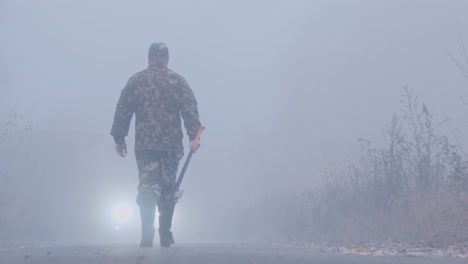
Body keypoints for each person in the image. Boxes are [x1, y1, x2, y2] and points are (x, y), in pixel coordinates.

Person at [111, 42, 202, 247]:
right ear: (167, 59)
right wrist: (193, 136)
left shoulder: (137, 80)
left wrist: (119, 138)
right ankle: (165, 233)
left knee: (147, 187)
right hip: (171, 146)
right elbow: (190, 109)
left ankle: (146, 233)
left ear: (149, 57)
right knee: (168, 190)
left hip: (146, 146)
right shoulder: (177, 81)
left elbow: (123, 109)